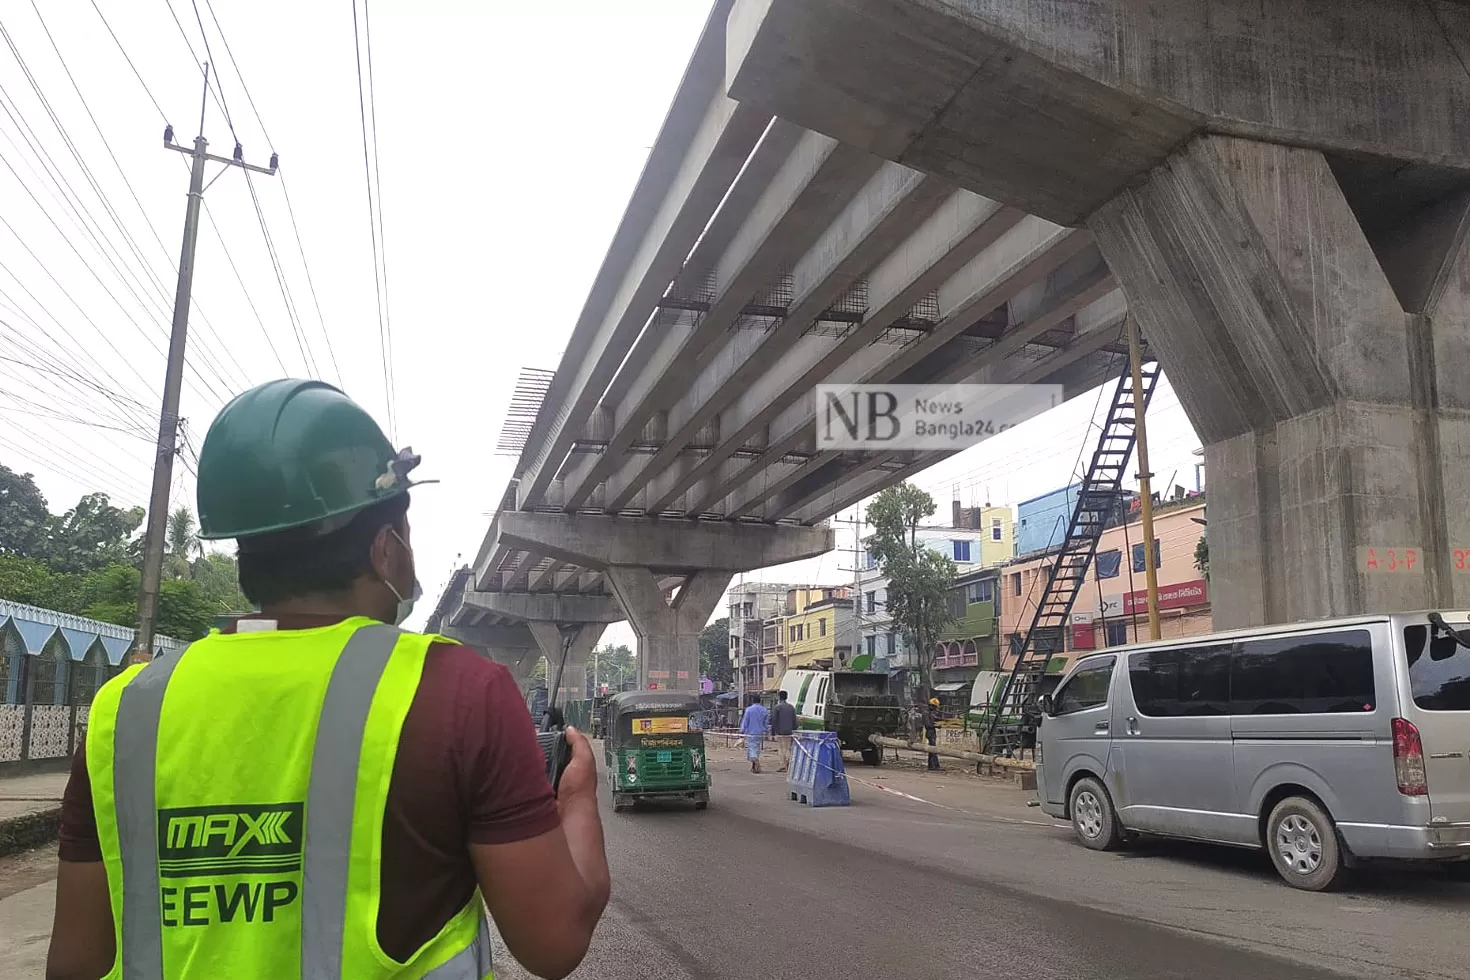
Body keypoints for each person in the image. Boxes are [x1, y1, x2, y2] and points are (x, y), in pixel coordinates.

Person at [45, 379, 611, 980]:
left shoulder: (125, 712)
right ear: (385, 549)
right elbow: (555, 941)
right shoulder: (457, 692)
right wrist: (576, 798)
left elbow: (76, 962)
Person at [739, 694, 770, 774]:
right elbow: (766, 723)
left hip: (750, 732)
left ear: (752, 701)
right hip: (760, 733)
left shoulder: (749, 710)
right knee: (756, 748)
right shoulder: (764, 710)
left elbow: (745, 721)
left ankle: (755, 761)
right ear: (760, 701)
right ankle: (754, 766)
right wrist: (767, 730)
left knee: (752, 748)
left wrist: (742, 730)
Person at [771, 690, 798, 772]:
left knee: (781, 748)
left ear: (779, 697)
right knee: (788, 748)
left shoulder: (777, 707)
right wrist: (794, 730)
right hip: (790, 732)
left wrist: (773, 732)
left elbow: (774, 720)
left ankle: (783, 765)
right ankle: (789, 763)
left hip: (780, 732)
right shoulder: (791, 707)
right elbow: (794, 720)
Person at [921, 697, 942, 771]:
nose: (936, 709)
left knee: (932, 750)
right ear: (932, 706)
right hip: (930, 732)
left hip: (932, 732)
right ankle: (934, 766)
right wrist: (936, 725)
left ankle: (932, 766)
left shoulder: (929, 713)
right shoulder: (926, 713)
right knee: (933, 750)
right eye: (935, 707)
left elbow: (935, 718)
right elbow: (928, 725)